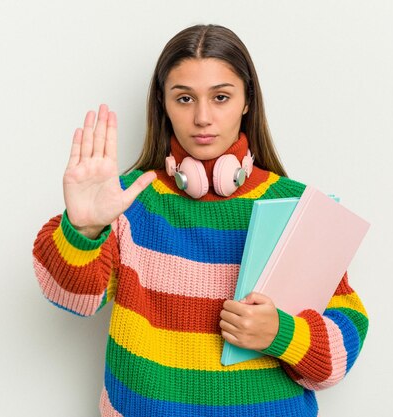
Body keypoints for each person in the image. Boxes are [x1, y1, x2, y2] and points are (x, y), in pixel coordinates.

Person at [32, 24, 368, 417]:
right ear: (163, 103)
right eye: (185, 98)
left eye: (221, 97)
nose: (202, 117)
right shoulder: (127, 200)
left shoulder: (294, 205)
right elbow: (70, 299)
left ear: (247, 102)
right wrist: (85, 228)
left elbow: (339, 356)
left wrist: (282, 334)